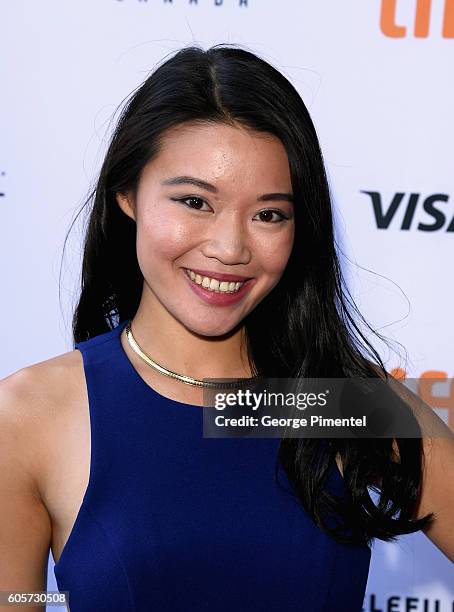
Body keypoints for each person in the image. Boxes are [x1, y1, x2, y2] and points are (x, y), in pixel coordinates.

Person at [0, 43, 453, 612]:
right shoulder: (32, 416)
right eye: (195, 201)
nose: (230, 248)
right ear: (127, 193)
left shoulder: (338, 401)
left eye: (269, 214)